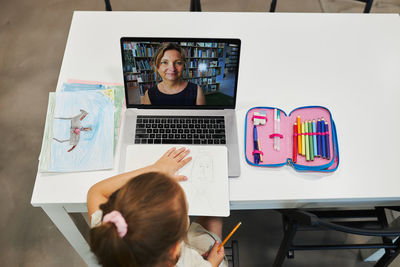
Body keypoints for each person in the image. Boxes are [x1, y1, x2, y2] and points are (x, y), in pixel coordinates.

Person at [87, 147, 227, 267]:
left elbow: (96, 192)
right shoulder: (191, 263)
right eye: (185, 211)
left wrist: (157, 169)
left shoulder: (110, 231)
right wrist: (212, 263)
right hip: (202, 256)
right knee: (212, 223)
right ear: (175, 249)